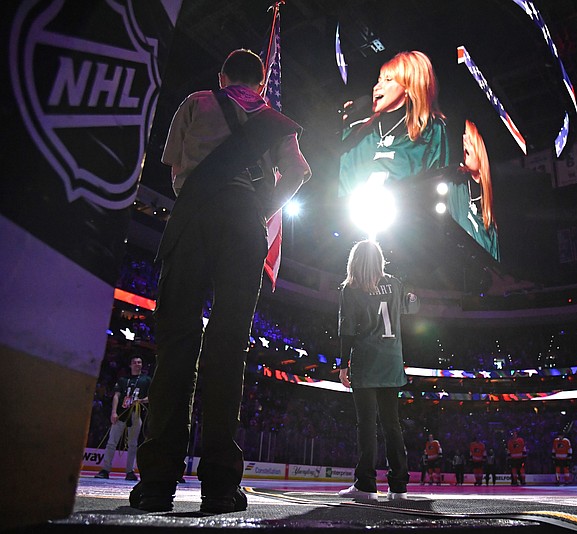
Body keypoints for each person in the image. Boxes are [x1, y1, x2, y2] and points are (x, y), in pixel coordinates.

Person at [130, 49, 311, 514]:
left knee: (176, 345)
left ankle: (155, 484)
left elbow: (174, 172)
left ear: (223, 75)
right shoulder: (275, 119)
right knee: (228, 349)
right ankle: (219, 487)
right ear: (261, 80)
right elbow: (299, 173)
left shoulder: (195, 101)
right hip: (243, 224)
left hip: (191, 219)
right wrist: (259, 206)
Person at [336, 240, 420, 502]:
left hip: (365, 360)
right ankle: (398, 486)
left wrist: (342, 365)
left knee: (367, 425)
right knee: (391, 424)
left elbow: (346, 330)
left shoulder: (351, 289)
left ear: (355, 261)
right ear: (380, 259)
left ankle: (366, 484)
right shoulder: (395, 284)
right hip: (391, 361)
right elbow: (411, 308)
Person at [339, 50, 449, 197]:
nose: (377, 87)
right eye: (379, 80)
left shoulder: (431, 131)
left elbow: (439, 181)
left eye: (388, 80)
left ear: (410, 87)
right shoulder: (357, 131)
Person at [445, 120, 499, 260]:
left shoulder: (493, 203)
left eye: (469, 139)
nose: (464, 141)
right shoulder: (457, 185)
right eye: (463, 137)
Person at [95, 356, 150, 481]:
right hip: (121, 413)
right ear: (130, 365)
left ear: (142, 365)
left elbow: (151, 396)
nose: (137, 364)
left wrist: (141, 400)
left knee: (132, 444)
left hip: (136, 414)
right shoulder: (123, 380)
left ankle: (129, 471)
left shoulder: (146, 380)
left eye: (139, 362)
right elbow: (116, 396)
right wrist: (113, 412)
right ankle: (105, 469)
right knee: (111, 442)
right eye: (135, 362)